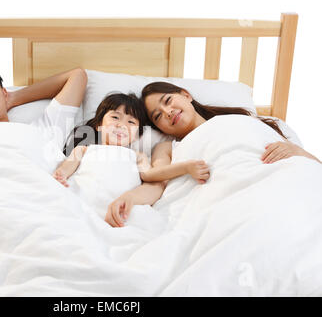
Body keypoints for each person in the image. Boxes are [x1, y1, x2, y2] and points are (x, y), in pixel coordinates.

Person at [104, 81, 321, 228]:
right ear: (160, 128)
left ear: (186, 95)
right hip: (229, 200)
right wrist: (130, 197)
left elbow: (313, 167)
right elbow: (157, 176)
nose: (168, 112)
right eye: (158, 115)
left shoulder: (244, 120)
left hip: (283, 181)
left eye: (168, 101)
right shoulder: (169, 148)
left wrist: (298, 151)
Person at [52, 93, 148, 187]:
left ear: (136, 135)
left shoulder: (137, 155)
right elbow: (69, 164)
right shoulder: (84, 149)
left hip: (123, 200)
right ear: (99, 125)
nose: (122, 125)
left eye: (131, 122)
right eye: (115, 117)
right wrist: (62, 174)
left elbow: (148, 175)